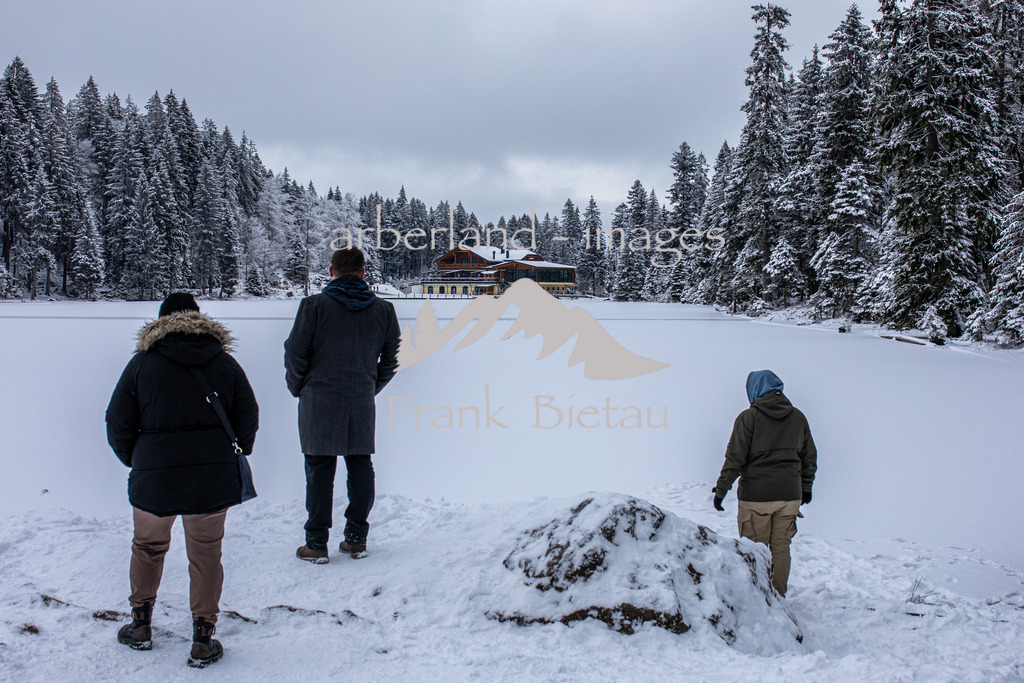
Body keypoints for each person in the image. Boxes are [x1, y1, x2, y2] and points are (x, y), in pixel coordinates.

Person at [106, 293, 259, 668]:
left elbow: (117, 421)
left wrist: (138, 460)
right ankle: (203, 639)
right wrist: (237, 450)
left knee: (147, 547)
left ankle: (140, 626)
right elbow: (248, 414)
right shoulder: (224, 363)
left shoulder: (141, 365)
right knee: (206, 555)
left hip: (153, 476)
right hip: (211, 475)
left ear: (160, 323)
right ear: (198, 318)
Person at [285, 247, 400, 564]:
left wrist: (300, 387)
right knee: (360, 465)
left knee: (319, 469)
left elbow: (295, 353)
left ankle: (316, 542)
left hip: (318, 400)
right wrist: (368, 387)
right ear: (363, 273)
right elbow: (391, 360)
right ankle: (356, 539)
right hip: (359, 400)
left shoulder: (313, 306)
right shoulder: (383, 310)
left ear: (332, 271)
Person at [713, 370, 816, 597]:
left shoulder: (748, 418)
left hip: (756, 497)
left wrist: (721, 490)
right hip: (790, 495)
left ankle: (759, 600)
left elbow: (735, 458)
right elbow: (809, 457)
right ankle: (778, 597)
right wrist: (806, 487)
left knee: (754, 550)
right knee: (781, 548)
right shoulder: (798, 417)